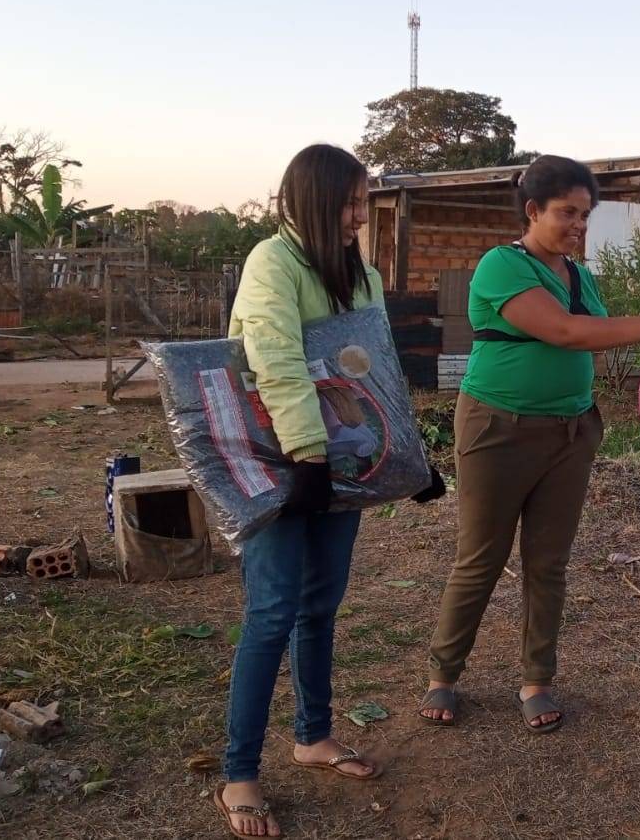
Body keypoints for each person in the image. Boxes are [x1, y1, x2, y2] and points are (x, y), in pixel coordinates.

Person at [418, 155, 640, 733]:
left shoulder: (578, 275)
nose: (578, 225)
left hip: (570, 431)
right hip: (498, 428)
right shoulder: (502, 265)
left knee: (548, 562)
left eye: (585, 215)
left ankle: (536, 679)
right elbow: (565, 332)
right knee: (481, 557)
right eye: (567, 213)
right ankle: (444, 674)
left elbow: (592, 336)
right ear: (532, 210)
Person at [216, 144, 443, 839]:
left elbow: (374, 370)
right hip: (282, 461)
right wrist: (308, 458)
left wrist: (407, 459)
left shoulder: (359, 273)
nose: (359, 217)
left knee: (320, 605)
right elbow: (275, 361)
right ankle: (239, 773)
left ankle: (313, 735)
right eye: (349, 204)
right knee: (272, 611)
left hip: (339, 462)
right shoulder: (272, 263)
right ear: (312, 202)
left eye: (362, 203)